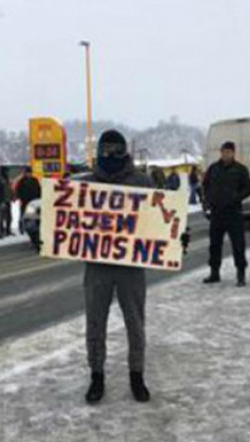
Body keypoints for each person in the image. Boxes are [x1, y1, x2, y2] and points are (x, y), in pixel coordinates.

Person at [82, 130, 155, 405]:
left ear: (124, 151)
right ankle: (96, 374)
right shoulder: (86, 185)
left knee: (135, 323)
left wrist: (174, 236)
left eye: (115, 149)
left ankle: (137, 374)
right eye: (106, 148)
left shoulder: (143, 183)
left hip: (131, 265)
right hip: (98, 265)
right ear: (99, 150)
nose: (110, 154)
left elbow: (160, 219)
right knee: (95, 322)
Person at [202, 141, 250, 286]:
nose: (226, 154)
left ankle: (241, 274)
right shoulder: (213, 169)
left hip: (234, 213)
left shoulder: (240, 169)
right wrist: (207, 200)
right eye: (224, 151)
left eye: (229, 152)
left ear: (233, 153)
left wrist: (236, 197)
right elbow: (205, 186)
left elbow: (248, 188)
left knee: (238, 244)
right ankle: (214, 272)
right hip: (217, 212)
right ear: (221, 152)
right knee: (214, 245)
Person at [15, 166, 41, 235]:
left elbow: (38, 190)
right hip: (24, 201)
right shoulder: (21, 181)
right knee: (23, 215)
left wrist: (38, 198)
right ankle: (21, 228)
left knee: (31, 215)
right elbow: (18, 191)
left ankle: (31, 228)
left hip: (32, 201)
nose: (29, 174)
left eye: (30, 173)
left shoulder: (34, 180)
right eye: (27, 173)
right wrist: (20, 198)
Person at [0, 166, 14, 237]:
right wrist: (1, 201)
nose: (7, 173)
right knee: (2, 217)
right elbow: (1, 191)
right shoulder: (1, 180)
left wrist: (12, 196)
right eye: (6, 171)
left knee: (9, 217)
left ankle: (8, 230)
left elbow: (9, 190)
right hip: (3, 200)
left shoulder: (7, 180)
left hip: (8, 200)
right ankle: (2, 231)